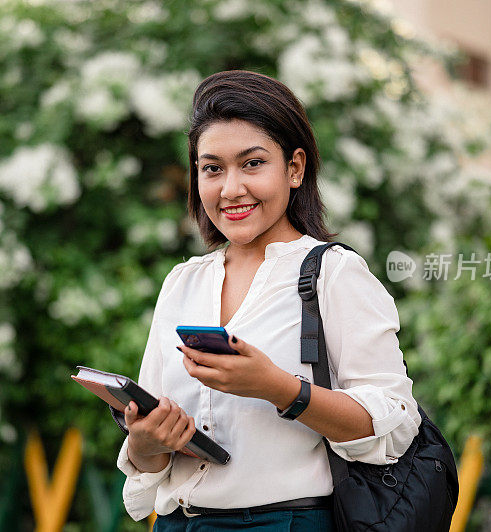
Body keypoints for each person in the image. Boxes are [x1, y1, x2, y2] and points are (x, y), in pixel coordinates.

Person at [117, 70, 420, 531]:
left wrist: (278, 387)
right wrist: (145, 442)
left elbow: (394, 424)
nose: (231, 189)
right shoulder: (182, 283)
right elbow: (153, 454)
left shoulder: (333, 274)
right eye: (212, 168)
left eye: (252, 163)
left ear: (295, 168)